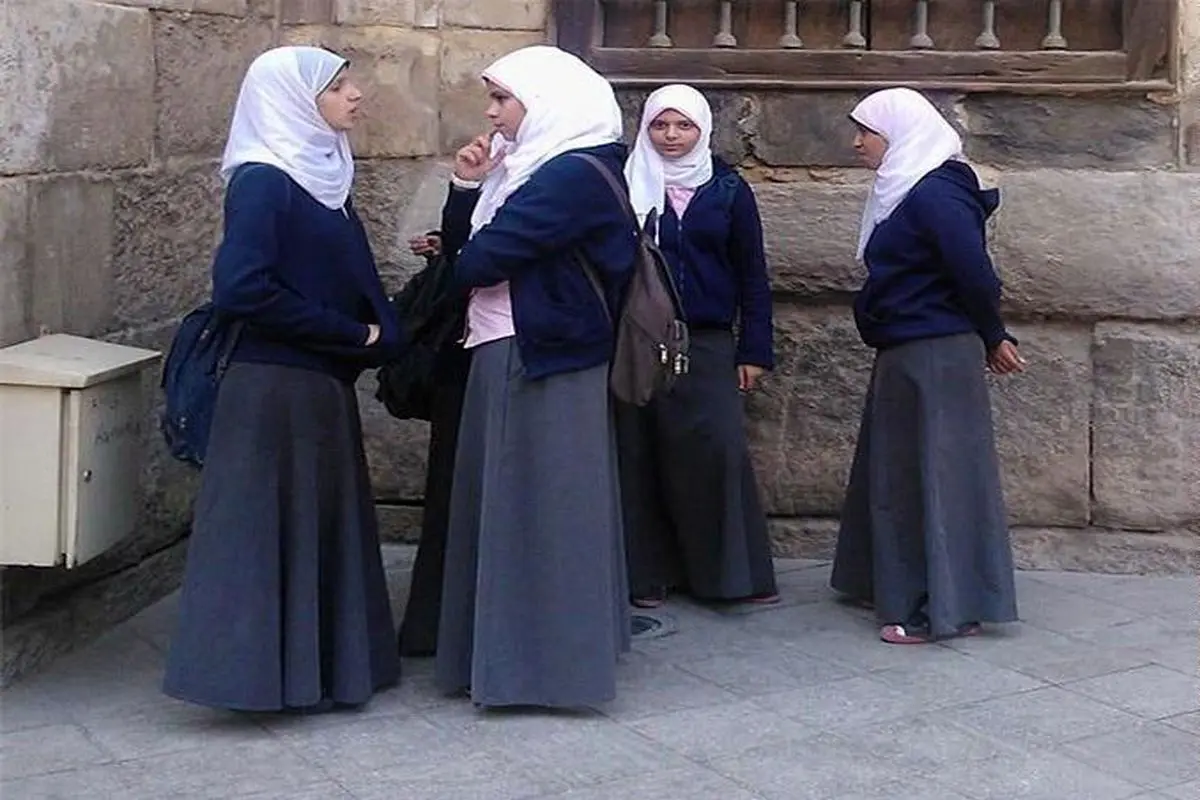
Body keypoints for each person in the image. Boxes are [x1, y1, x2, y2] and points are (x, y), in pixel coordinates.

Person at [163, 45, 402, 711]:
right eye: (338, 86)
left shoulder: (323, 174)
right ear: (294, 101)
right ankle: (255, 681)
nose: (355, 95)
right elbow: (242, 289)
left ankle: (316, 676)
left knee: (311, 529)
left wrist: (379, 334)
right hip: (273, 386)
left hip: (313, 385)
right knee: (265, 535)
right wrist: (352, 334)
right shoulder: (265, 179)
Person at [433, 45, 637, 709]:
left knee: (540, 513)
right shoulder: (539, 168)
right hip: (528, 346)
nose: (492, 114)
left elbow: (475, 263)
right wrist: (469, 188)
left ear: (546, 102)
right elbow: (468, 255)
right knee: (526, 508)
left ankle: (540, 670)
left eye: (503, 99)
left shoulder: (566, 175)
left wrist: (474, 228)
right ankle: (519, 660)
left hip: (540, 353)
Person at [830, 87, 1023, 645]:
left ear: (899, 133)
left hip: (934, 350)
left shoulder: (937, 193)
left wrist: (993, 334)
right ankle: (896, 584)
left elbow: (974, 273)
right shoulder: (910, 187)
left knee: (934, 478)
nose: (858, 143)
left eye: (867, 131)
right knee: (900, 471)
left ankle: (938, 607)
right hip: (911, 348)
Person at [617, 84, 778, 609]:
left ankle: (728, 576)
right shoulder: (625, 184)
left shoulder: (727, 189)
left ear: (702, 129)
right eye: (660, 125)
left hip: (707, 342)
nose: (671, 136)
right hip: (640, 340)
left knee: (716, 452)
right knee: (642, 451)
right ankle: (648, 574)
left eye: (683, 125)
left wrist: (754, 350)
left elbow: (752, 273)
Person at [396, 231, 471, 658]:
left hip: (479, 357)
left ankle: (440, 625)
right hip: (462, 361)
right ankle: (438, 626)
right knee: (453, 497)